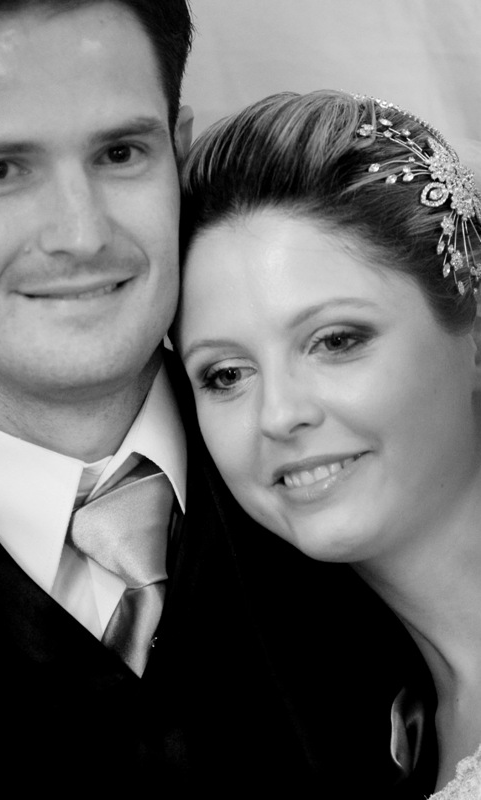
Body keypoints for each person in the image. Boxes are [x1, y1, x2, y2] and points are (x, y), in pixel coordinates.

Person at [0, 2, 445, 791]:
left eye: (120, 153)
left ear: (176, 152)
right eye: (0, 170)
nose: (81, 234)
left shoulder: (360, 470)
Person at [175, 90, 481, 798]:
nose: (279, 415)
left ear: (473, 334)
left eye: (335, 341)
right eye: (225, 375)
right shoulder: (368, 732)